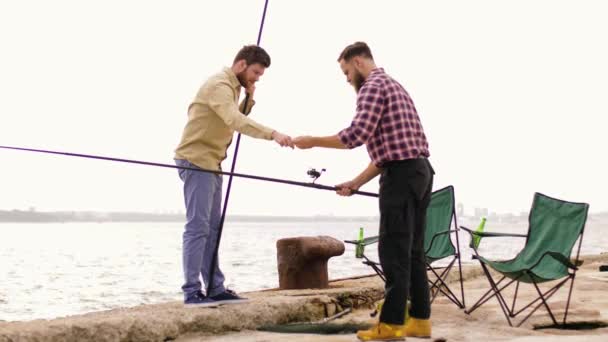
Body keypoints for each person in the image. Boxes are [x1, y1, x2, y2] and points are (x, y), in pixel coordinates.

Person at [293, 42, 434, 340]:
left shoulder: (372, 86)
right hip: (420, 172)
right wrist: (356, 183)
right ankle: (420, 321)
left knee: (393, 251)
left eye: (346, 71)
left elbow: (355, 135)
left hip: (402, 177)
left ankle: (391, 325)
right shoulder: (394, 85)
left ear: (357, 62)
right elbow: (389, 154)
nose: (346, 79)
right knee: (414, 252)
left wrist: (312, 141)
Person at [174, 45, 293, 306]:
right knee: (198, 227)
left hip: (212, 163)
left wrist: (249, 97)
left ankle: (215, 288)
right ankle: (192, 291)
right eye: (255, 73)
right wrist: (273, 134)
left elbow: (236, 115)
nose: (257, 78)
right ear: (241, 65)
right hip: (196, 161)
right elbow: (234, 120)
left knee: (212, 228)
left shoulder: (235, 87)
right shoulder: (220, 85)